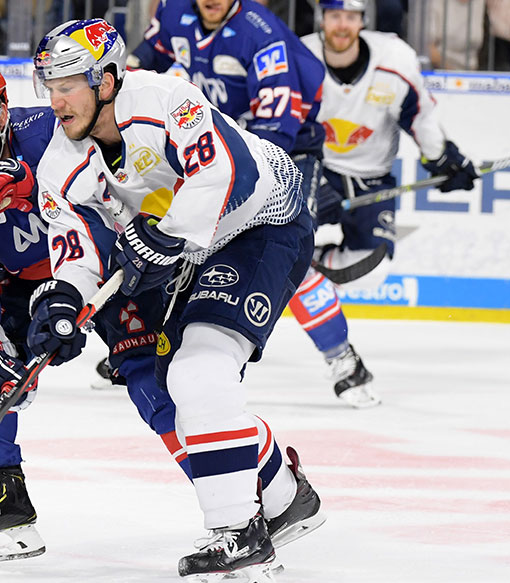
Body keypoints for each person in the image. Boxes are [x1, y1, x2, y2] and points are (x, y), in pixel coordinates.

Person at [30, 18, 325, 583]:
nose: (55, 99)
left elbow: (224, 171)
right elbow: (77, 245)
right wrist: (64, 301)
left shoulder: (168, 98)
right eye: (48, 84)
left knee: (201, 371)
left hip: (264, 222)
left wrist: (166, 237)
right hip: (194, 250)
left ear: (108, 80)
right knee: (175, 392)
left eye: (69, 83)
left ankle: (240, 539)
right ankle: (289, 499)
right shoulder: (60, 163)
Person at [0, 52, 179, 564]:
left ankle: (245, 496)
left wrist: (25, 186)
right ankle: (6, 496)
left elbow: (115, 198)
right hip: (35, 285)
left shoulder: (51, 133)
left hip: (116, 266)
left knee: (152, 381)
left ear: (0, 110)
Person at [128, 0, 381, 408]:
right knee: (182, 245)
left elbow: (277, 131)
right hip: (211, 152)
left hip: (281, 156)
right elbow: (145, 59)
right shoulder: (174, 11)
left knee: (281, 253)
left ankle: (344, 359)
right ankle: (148, 345)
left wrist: (232, 188)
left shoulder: (262, 38)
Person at [301, 2, 479, 303]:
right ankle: (288, 258)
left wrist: (441, 158)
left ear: (362, 21)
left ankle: (305, 265)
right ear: (322, 19)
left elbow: (420, 115)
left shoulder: (394, 58)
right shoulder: (301, 56)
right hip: (317, 170)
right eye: (334, 16)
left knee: (372, 270)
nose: (342, 25)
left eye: (350, 17)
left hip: (372, 178)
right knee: (274, 238)